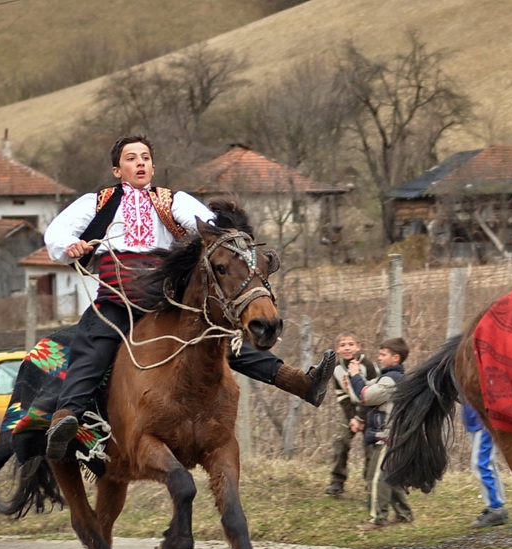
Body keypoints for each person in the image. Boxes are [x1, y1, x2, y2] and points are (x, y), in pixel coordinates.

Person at [42, 135, 335, 462]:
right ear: (116, 169)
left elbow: (209, 228)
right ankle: (66, 417)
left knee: (217, 338)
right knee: (92, 344)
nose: (140, 163)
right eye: (131, 158)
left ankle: (300, 382)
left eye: (145, 158)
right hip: (117, 300)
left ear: (153, 166)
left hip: (164, 298)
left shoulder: (171, 201)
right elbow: (56, 233)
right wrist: (72, 246)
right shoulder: (96, 203)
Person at [350, 338, 414, 531]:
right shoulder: (388, 377)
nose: (379, 357)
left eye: (383, 354)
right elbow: (365, 390)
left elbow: (366, 396)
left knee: (376, 478)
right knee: (389, 476)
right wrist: (356, 375)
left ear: (396, 358)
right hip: (393, 434)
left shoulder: (390, 379)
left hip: (389, 435)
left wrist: (354, 376)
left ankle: (378, 519)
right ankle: (404, 514)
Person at [325, 332, 379, 497]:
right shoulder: (336, 369)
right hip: (351, 409)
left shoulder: (367, 365)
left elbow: (372, 394)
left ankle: (371, 484)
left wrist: (361, 419)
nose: (347, 348)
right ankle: (337, 481)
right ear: (337, 349)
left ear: (358, 347)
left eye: (350, 344)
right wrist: (352, 419)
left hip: (372, 408)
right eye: (343, 345)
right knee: (340, 441)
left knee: (371, 446)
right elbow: (341, 395)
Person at [462, 404, 508, 528]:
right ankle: (496, 505)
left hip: (483, 421)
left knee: (480, 463)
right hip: (473, 420)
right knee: (488, 463)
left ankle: (496, 508)